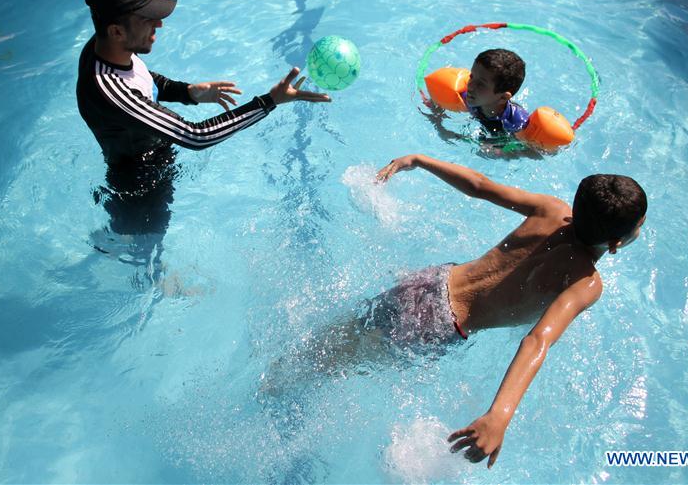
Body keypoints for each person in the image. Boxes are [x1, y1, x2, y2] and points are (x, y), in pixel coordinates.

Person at [268, 154, 646, 468]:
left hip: (431, 281)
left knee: (338, 338)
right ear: (615, 244)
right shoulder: (586, 283)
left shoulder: (552, 209)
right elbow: (537, 341)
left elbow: (479, 186)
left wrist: (420, 160)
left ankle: (277, 370)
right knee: (340, 362)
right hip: (439, 324)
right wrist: (500, 415)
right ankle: (272, 393)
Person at [76, 0, 330, 243]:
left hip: (152, 158)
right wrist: (269, 102)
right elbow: (197, 136)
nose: (159, 24)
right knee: (145, 249)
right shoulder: (110, 90)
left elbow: (143, 78)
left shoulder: (107, 46)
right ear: (116, 31)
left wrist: (187, 92)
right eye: (148, 19)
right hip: (142, 185)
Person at [420, 49, 532, 154]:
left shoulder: (516, 122)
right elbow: (436, 104)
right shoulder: (468, 97)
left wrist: (504, 151)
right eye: (472, 77)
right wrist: (436, 112)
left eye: (481, 84)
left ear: (502, 98)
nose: (470, 86)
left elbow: (529, 151)